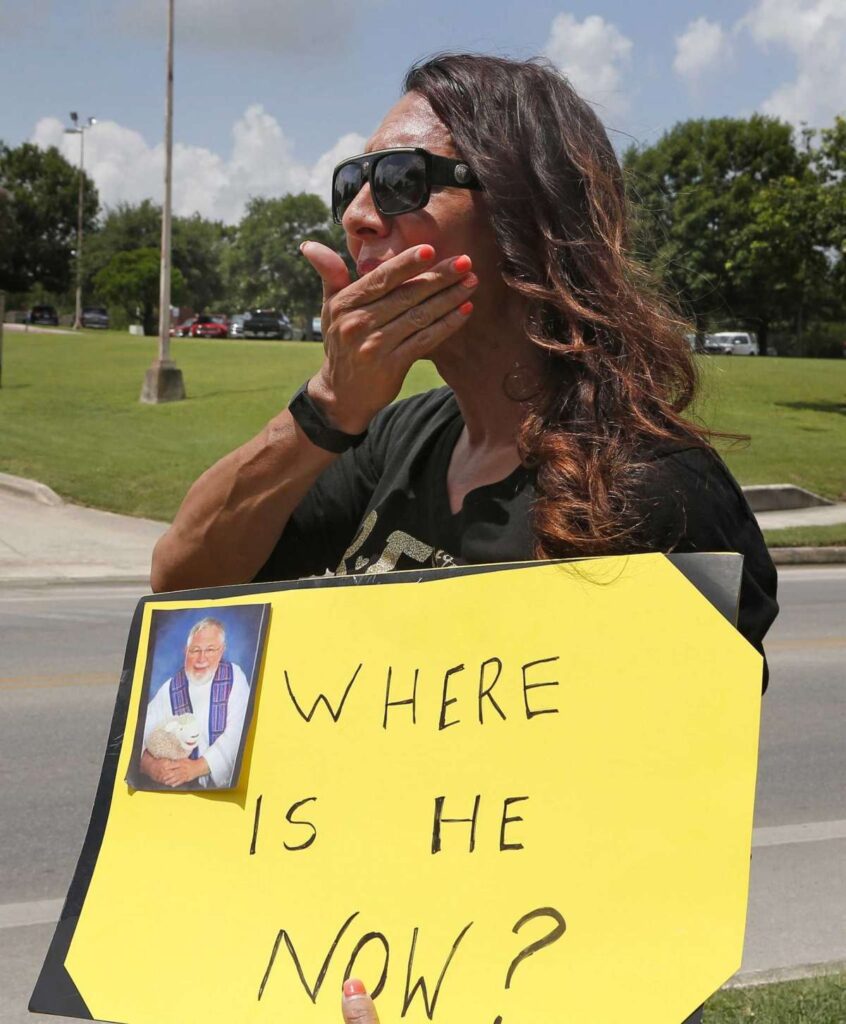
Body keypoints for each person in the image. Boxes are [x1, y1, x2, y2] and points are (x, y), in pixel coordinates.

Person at [151, 55, 778, 1022]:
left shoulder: (654, 489)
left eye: (401, 182)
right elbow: (184, 584)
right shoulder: (401, 437)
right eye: (351, 185)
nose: (360, 215)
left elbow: (646, 874)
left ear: (525, 217)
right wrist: (329, 407)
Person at [140, 617, 250, 789]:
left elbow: (239, 733)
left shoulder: (235, 677)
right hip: (183, 789)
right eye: (195, 650)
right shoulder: (170, 688)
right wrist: (150, 766)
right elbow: (140, 733)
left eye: (210, 650)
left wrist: (197, 767)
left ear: (222, 651)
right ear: (186, 651)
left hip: (229, 789)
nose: (201, 659)